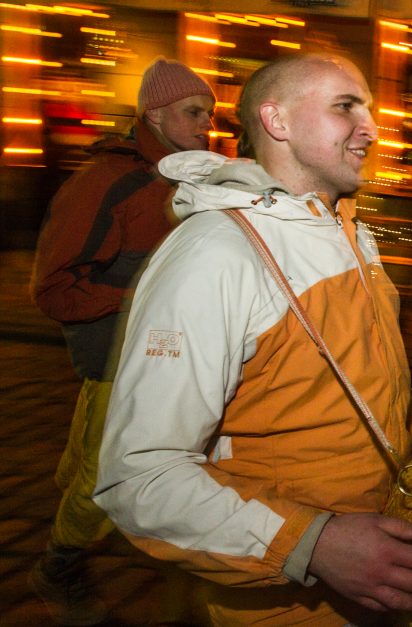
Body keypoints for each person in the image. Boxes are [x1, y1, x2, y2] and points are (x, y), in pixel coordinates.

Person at [93, 53, 412, 626]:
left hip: (377, 577)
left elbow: (366, 379)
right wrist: (316, 543)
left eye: (369, 109)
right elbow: (140, 478)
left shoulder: (349, 235)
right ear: (277, 122)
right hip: (283, 602)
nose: (373, 127)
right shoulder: (215, 254)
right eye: (345, 107)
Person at [29, 57, 216, 625]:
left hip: (165, 353)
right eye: (193, 112)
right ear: (154, 114)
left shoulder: (191, 176)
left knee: (100, 461)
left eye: (209, 112)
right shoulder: (109, 182)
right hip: (119, 354)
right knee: (109, 474)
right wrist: (137, 297)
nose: (206, 123)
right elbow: (55, 287)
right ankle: (61, 565)